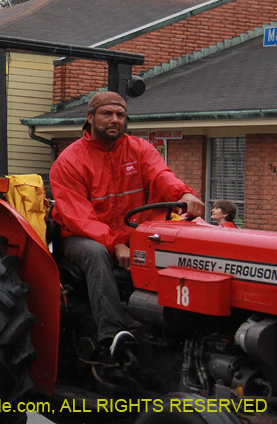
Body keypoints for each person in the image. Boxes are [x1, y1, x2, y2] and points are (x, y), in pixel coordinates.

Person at [49, 91, 204, 361]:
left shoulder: (140, 149)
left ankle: (183, 332)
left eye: (120, 115)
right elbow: (80, 216)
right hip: (81, 237)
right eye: (107, 114)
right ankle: (112, 336)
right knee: (96, 253)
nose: (114, 120)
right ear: (90, 118)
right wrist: (114, 244)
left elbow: (160, 175)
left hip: (130, 235)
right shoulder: (69, 161)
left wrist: (183, 194)